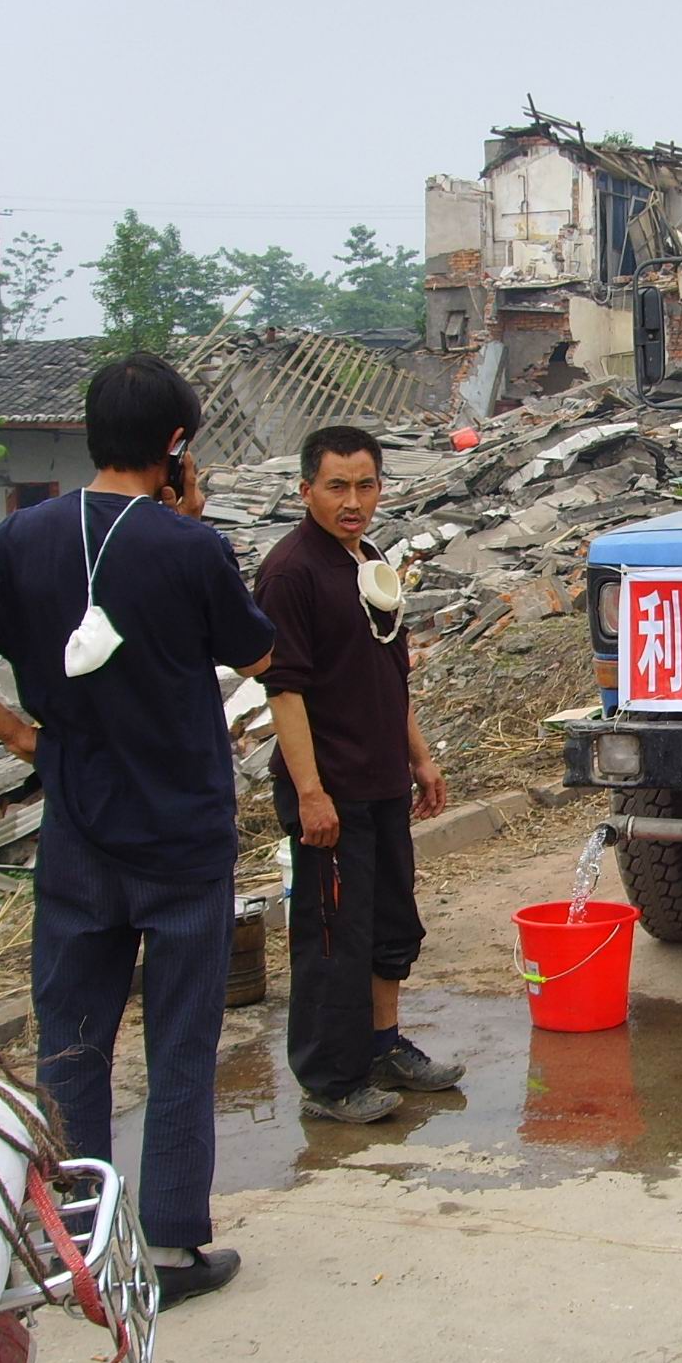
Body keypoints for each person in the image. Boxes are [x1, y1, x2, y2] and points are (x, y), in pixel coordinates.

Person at [0, 353, 275, 1311]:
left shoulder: (24, 538)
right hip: (183, 836)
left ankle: (77, 1245)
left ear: (91, 432)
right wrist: (194, 525)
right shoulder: (188, 548)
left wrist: (24, 734)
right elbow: (260, 650)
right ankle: (176, 1246)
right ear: (177, 447)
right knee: (181, 1042)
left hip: (77, 830)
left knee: (70, 1042)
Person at [252, 425, 457, 1125]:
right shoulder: (290, 572)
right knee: (332, 938)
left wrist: (419, 757)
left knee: (389, 924)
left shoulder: (368, 560)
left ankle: (381, 1047)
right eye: (337, 486)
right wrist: (311, 793)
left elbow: (389, 672)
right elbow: (283, 691)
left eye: (365, 485)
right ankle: (328, 1081)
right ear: (305, 487)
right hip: (328, 789)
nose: (353, 500)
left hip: (380, 781)